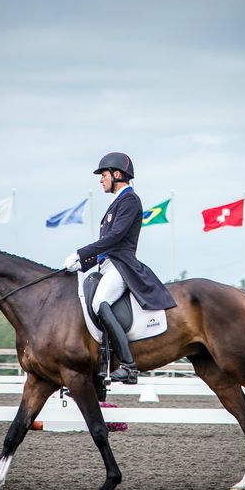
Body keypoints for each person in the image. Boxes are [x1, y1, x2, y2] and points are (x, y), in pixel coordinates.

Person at [63, 152, 176, 384]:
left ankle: (128, 365)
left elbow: (115, 238)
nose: (101, 180)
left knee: (99, 303)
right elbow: (106, 248)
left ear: (117, 175)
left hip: (122, 267)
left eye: (103, 175)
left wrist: (80, 252)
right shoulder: (117, 203)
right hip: (108, 265)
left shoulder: (130, 200)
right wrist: (82, 263)